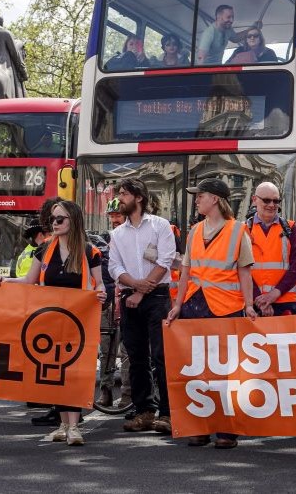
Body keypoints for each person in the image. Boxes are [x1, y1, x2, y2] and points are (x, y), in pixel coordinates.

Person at [0, 200, 106, 446]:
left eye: (60, 219)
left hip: (79, 321)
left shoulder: (90, 252)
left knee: (74, 373)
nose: (54, 223)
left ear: (73, 221)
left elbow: (99, 284)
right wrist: (5, 281)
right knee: (56, 373)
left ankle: (74, 426)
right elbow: (29, 280)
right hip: (50, 320)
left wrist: (100, 292)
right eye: (53, 219)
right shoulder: (44, 250)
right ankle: (65, 424)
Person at [167, 178, 256, 449]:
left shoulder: (238, 231)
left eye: (200, 195)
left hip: (226, 308)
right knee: (198, 369)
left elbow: (245, 272)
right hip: (195, 305)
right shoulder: (194, 231)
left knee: (226, 371)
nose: (196, 200)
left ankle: (227, 430)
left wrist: (249, 305)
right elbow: (186, 272)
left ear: (215, 199)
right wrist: (178, 305)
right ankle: (201, 427)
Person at [108, 179, 176, 435]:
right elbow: (114, 267)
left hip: (157, 297)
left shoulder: (160, 226)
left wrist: (141, 290)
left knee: (161, 356)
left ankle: (168, 412)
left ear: (138, 197)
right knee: (136, 357)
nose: (120, 199)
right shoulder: (117, 234)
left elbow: (166, 259)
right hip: (130, 297)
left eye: (124, 194)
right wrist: (135, 287)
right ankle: (144, 410)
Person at [245, 182, 296, 316]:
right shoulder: (244, 230)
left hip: (286, 304)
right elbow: (241, 269)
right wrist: (260, 301)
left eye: (276, 201)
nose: (272, 205)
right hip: (254, 304)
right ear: (254, 200)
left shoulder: (290, 228)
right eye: (266, 200)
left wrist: (274, 295)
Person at [97, 198, 131, 408]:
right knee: (106, 351)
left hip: (126, 300)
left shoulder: (131, 239)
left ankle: (127, 395)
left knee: (127, 351)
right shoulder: (105, 241)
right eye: (111, 217)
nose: (114, 220)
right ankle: (106, 391)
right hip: (108, 303)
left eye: (117, 215)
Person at [196, 5, 261, 65]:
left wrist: (252, 28)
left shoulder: (228, 29)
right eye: (228, 17)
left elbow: (235, 38)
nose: (232, 20)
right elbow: (200, 58)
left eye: (232, 17)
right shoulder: (209, 33)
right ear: (218, 17)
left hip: (218, 67)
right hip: (208, 69)